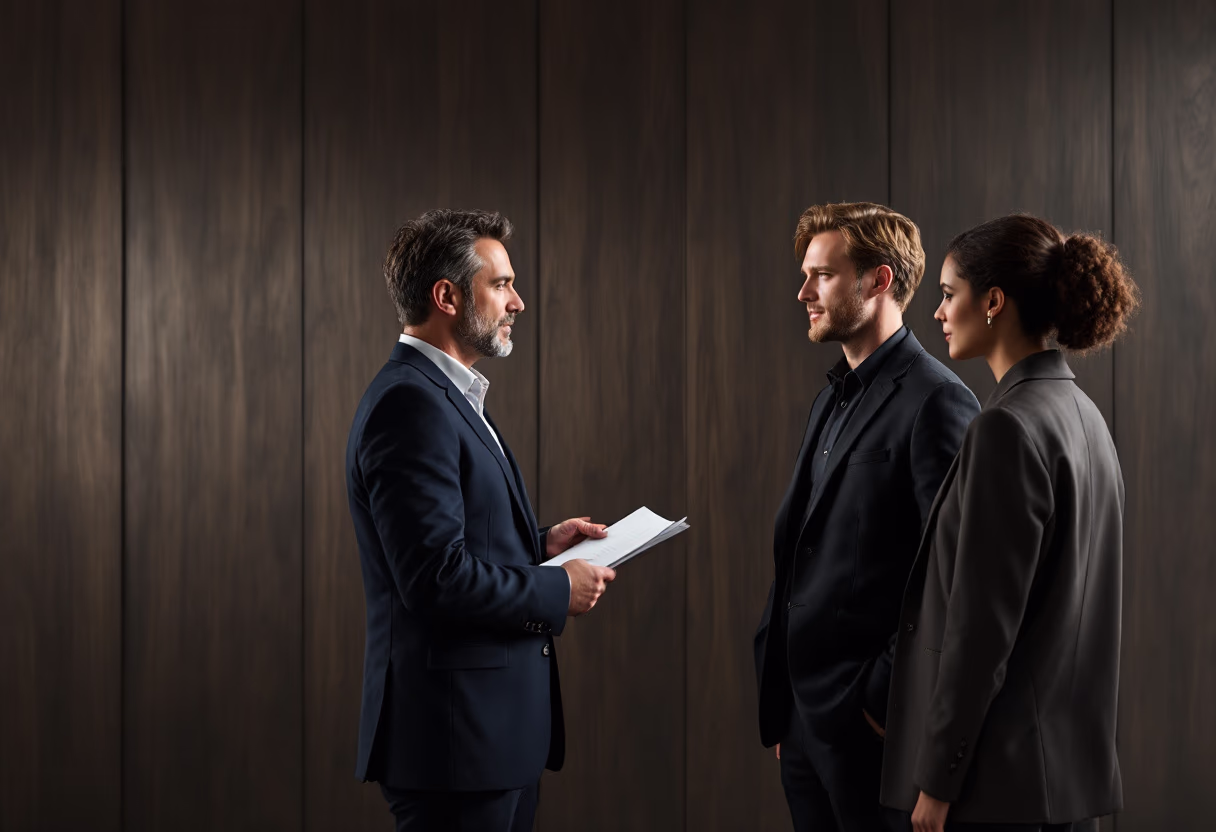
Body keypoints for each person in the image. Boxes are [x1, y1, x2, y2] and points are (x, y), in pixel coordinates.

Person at [346, 209, 617, 831]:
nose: (517, 301)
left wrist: (538, 542)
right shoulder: (410, 405)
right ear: (447, 296)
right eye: (500, 284)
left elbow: (452, 540)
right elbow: (434, 579)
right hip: (454, 749)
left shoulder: (446, 394)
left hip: (487, 744)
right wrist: (557, 588)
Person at [881, 214, 1141, 832]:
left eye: (948, 295)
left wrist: (939, 781)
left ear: (993, 301)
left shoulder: (1005, 427)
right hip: (1065, 786)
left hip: (999, 791)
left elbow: (981, 629)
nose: (938, 314)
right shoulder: (1085, 417)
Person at [754, 202, 981, 832]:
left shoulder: (939, 401)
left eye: (822, 275)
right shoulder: (829, 397)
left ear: (878, 281)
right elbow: (800, 551)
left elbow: (952, 573)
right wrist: (789, 702)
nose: (803, 292)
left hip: (871, 733)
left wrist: (876, 704)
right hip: (801, 725)